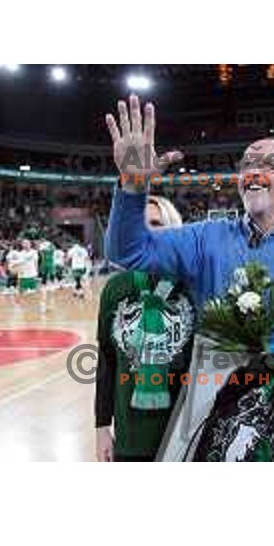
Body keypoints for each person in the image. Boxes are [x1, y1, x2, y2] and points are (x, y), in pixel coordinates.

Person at [104, 95, 274, 379]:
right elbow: (127, 251)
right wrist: (133, 185)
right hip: (216, 401)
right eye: (247, 165)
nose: (254, 173)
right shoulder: (202, 238)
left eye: (269, 165)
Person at [95, 196, 196, 462]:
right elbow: (106, 361)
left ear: (173, 230)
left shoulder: (193, 287)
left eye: (156, 223)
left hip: (183, 435)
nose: (148, 231)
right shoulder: (116, 288)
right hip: (131, 437)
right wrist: (102, 427)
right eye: (141, 225)